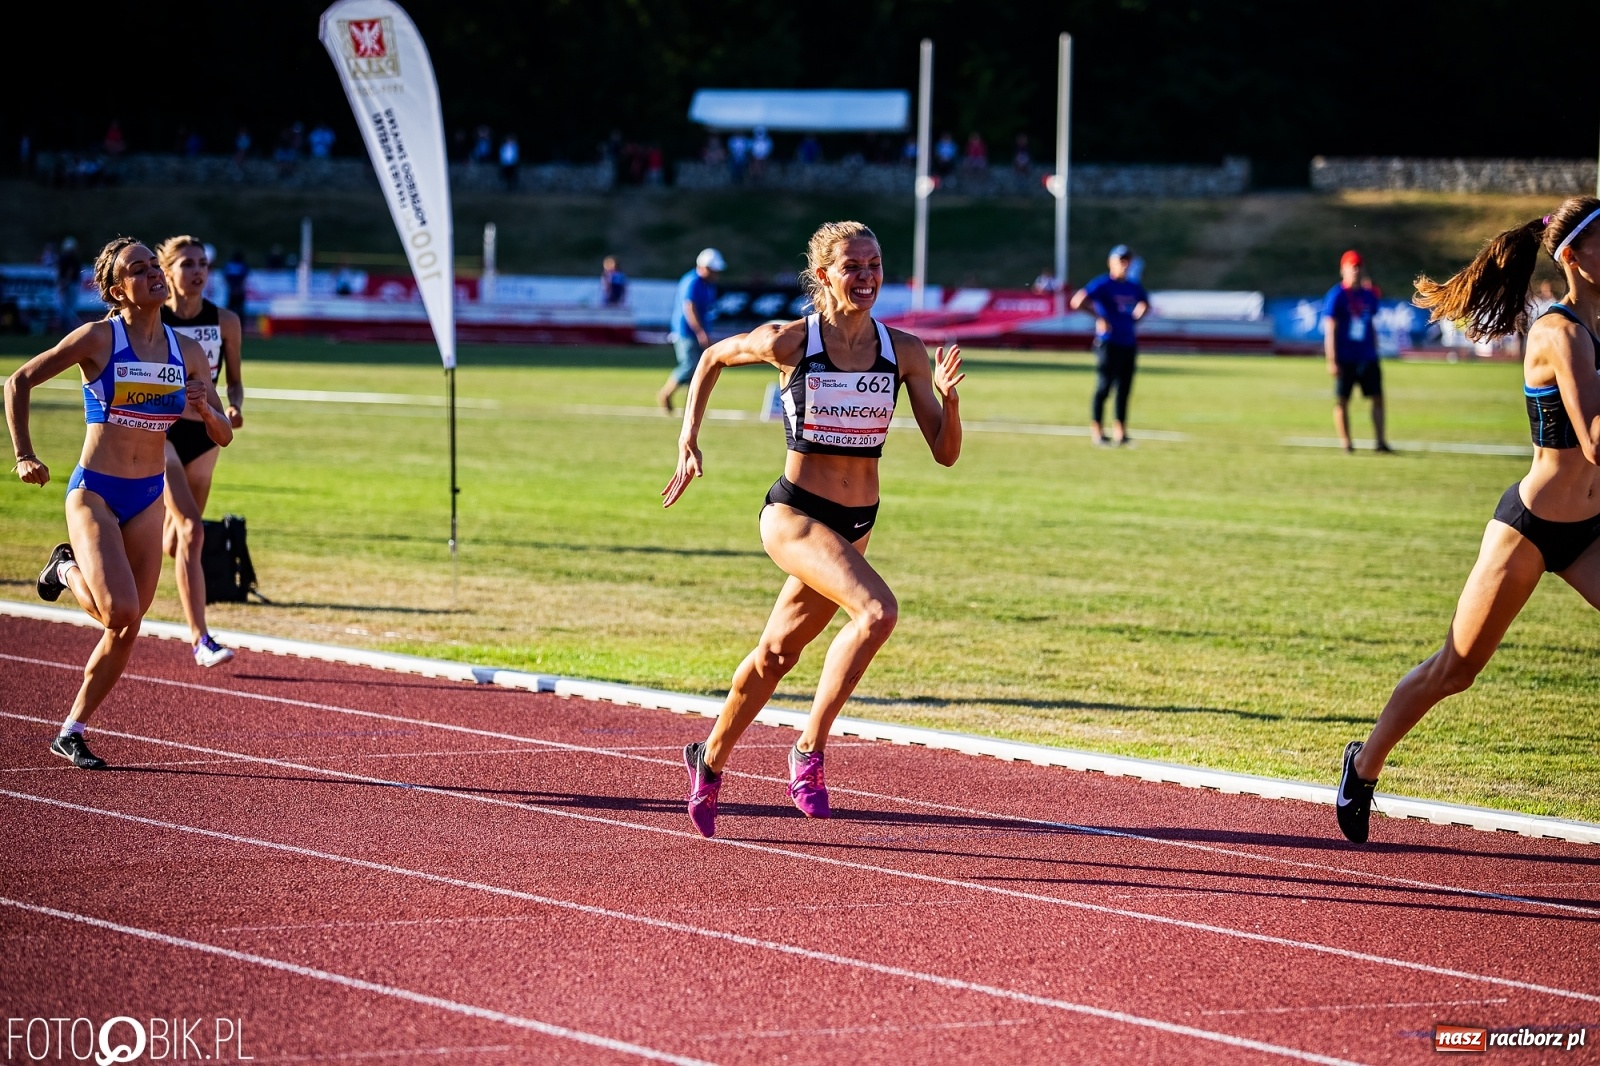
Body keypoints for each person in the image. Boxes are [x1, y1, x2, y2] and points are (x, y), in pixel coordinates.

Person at [662, 220, 965, 838]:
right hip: (795, 515)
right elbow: (712, 357)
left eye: (875, 265)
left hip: (855, 525)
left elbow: (945, 453)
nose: (867, 277)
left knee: (777, 654)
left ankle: (708, 759)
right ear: (825, 275)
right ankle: (809, 750)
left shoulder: (904, 351)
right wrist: (688, 437)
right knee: (877, 612)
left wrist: (949, 401)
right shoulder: (791, 341)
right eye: (853, 267)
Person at [1335, 197, 1600, 844]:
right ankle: (1363, 765)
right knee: (1455, 669)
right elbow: (1594, 441)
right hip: (1532, 529)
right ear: (1572, 256)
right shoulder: (1558, 332)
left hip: (1592, 529)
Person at [5, 237, 232, 769]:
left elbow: (222, 434)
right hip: (96, 492)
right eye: (139, 269)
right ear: (115, 289)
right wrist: (24, 454)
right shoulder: (98, 338)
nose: (154, 273)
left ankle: (72, 730)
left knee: (127, 626)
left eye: (155, 265)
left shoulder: (187, 351)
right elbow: (18, 381)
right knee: (121, 609)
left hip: (148, 496)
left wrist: (205, 409)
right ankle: (66, 569)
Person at [157, 236, 246, 666]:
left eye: (203, 264)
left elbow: (235, 381)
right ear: (167, 271)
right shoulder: (153, 319)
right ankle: (200, 639)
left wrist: (235, 407)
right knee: (192, 530)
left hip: (207, 431)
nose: (197, 272)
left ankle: (159, 537)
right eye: (187, 264)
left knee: (177, 541)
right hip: (162, 432)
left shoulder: (225, 321)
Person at [1070, 244, 1149, 446]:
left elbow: (1145, 303)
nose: (1124, 265)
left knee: (1124, 389)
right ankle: (1097, 431)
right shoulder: (1103, 284)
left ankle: (1120, 433)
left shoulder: (1132, 286)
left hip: (1128, 342)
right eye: (1121, 261)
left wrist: (1135, 319)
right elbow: (1077, 301)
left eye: (1127, 261)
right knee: (1104, 387)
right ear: (1111, 262)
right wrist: (1099, 317)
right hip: (1108, 342)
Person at [1324, 250, 1392, 453]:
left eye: (1359, 266)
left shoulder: (1369, 294)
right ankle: (1346, 443)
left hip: (1367, 355)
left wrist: (1375, 349)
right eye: (1352, 267)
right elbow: (1330, 329)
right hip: (1345, 356)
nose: (1356, 270)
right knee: (1342, 399)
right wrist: (1332, 360)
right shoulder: (1337, 295)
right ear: (1343, 269)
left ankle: (1380, 441)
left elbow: (1371, 323)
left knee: (1377, 397)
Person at [657, 248, 723, 413]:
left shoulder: (707, 285)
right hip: (686, 332)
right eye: (713, 270)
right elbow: (689, 308)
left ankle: (692, 405)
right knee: (689, 365)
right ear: (704, 267)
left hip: (699, 330)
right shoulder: (693, 282)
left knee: (698, 369)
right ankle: (666, 393)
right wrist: (700, 332)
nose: (716, 274)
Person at [223, 251, 249, 318]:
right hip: (237, 290)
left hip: (234, 289)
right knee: (238, 308)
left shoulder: (229, 265)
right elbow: (244, 277)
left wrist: (232, 288)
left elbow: (226, 277)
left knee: (232, 308)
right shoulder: (242, 265)